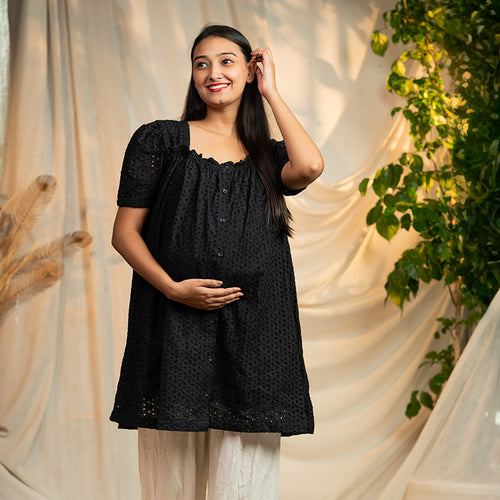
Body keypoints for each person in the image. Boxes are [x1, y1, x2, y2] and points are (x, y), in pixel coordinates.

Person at [110, 24, 324, 500]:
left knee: (244, 483)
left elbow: (310, 166)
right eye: (201, 63)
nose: (213, 73)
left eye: (227, 61)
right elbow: (124, 234)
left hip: (257, 335)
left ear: (250, 71)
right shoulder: (160, 140)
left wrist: (271, 92)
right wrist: (172, 288)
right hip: (172, 324)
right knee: (169, 483)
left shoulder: (270, 157)